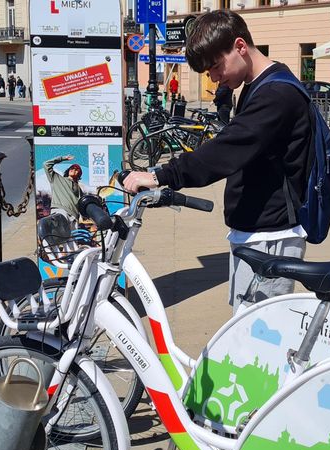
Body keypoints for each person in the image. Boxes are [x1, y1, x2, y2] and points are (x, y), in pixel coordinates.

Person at [123, 10, 311, 312]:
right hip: (256, 232)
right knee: (246, 333)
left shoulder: (277, 94)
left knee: (262, 340)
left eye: (215, 67)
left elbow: (228, 149)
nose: (213, 77)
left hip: (270, 236)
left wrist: (161, 175)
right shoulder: (257, 85)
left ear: (240, 47)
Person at [43, 154, 89, 220]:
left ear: (79, 174)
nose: (74, 169)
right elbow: (46, 164)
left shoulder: (79, 189)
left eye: (76, 169)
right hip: (60, 211)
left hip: (74, 216)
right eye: (72, 168)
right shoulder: (57, 178)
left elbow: (82, 204)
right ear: (68, 170)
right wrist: (63, 158)